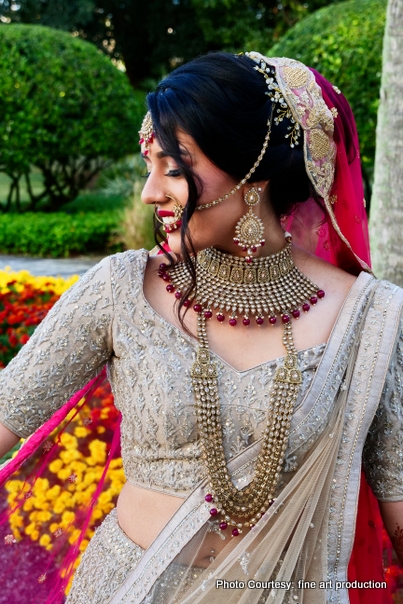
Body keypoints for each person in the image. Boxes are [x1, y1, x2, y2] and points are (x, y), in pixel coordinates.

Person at [0, 51, 401, 604]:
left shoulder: (370, 318)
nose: (150, 193)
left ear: (252, 173)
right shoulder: (121, 289)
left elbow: (397, 504)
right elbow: (6, 415)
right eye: (149, 166)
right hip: (128, 588)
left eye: (173, 166)